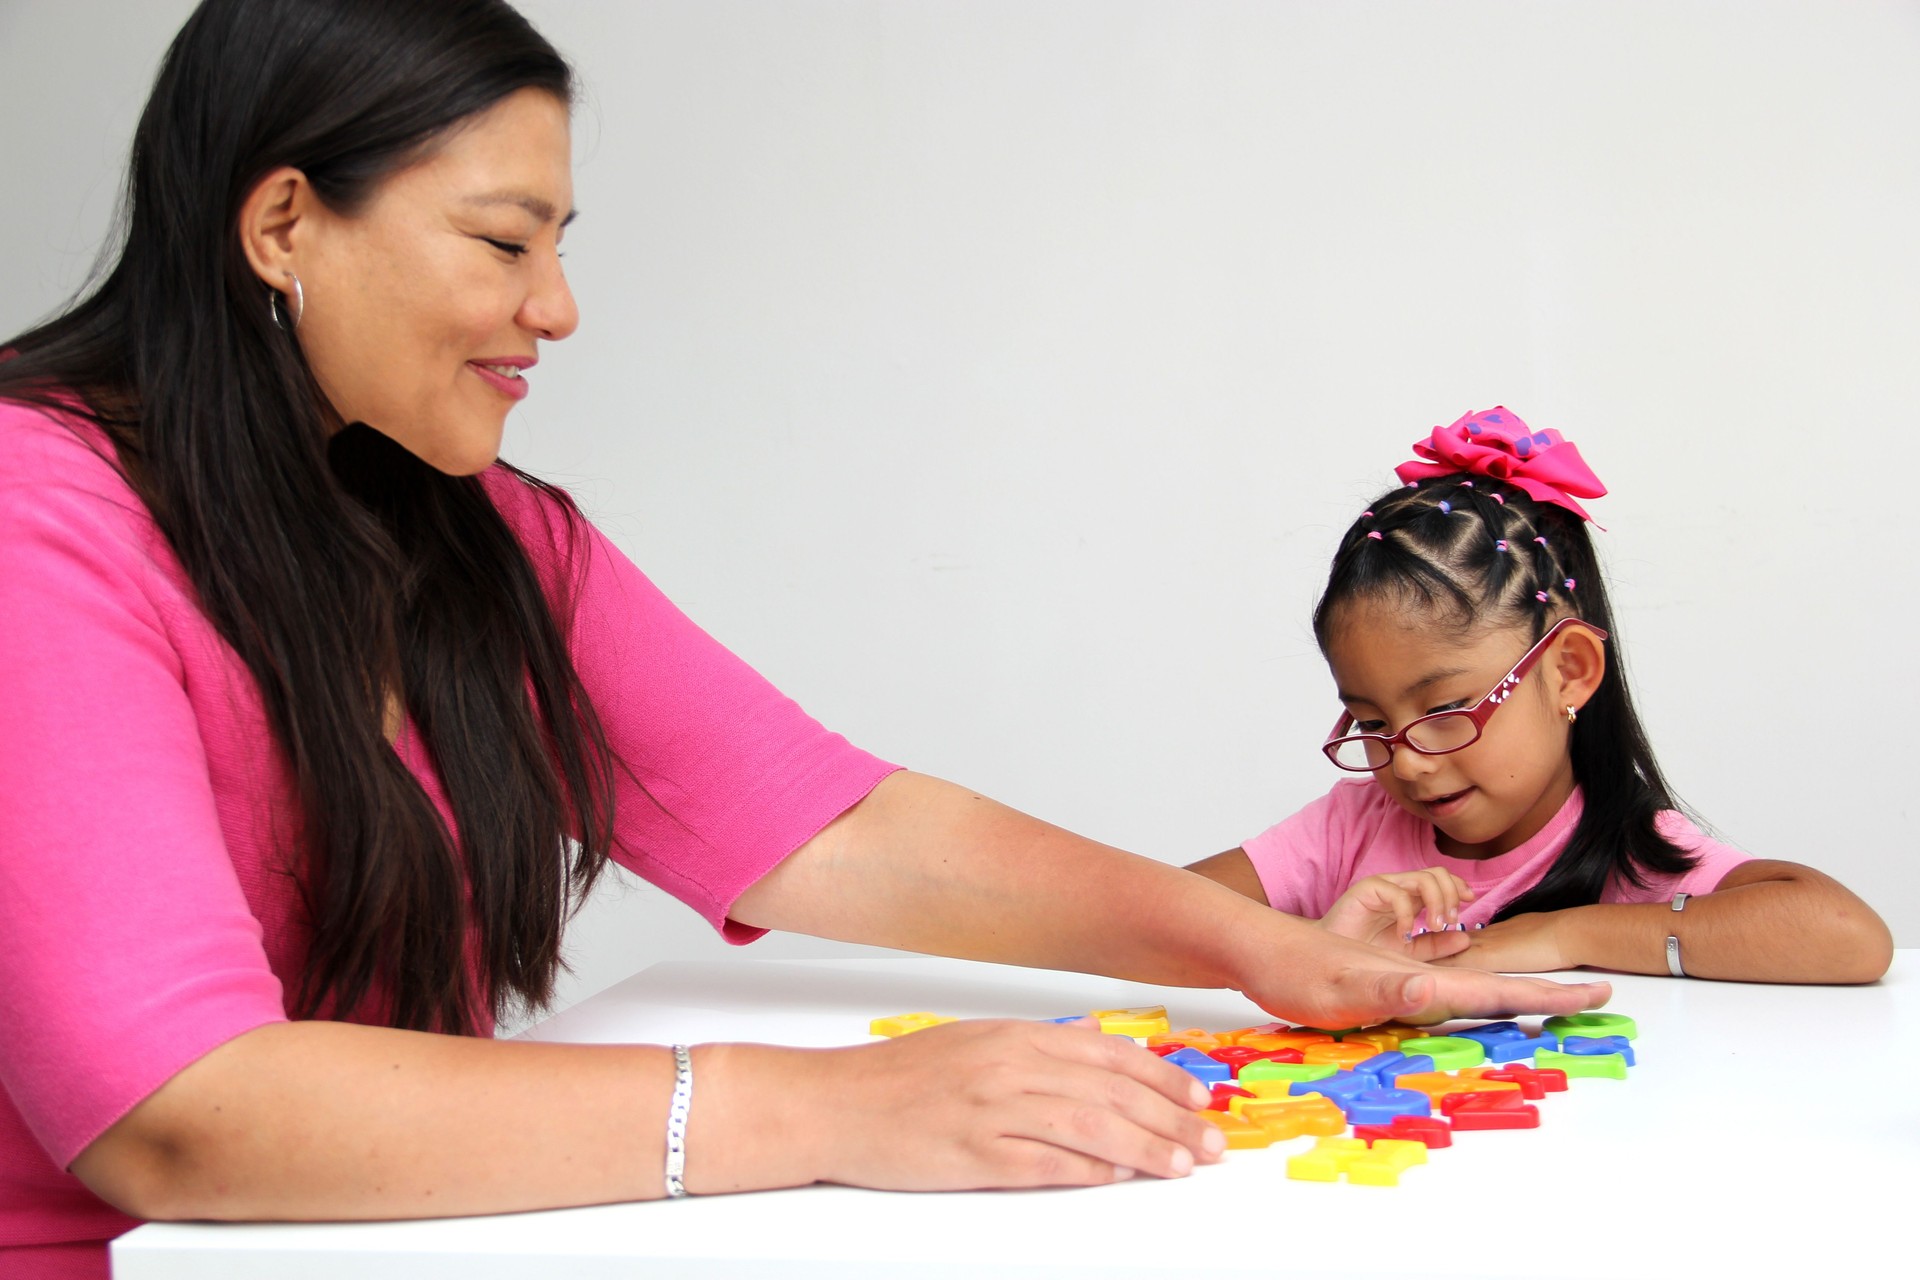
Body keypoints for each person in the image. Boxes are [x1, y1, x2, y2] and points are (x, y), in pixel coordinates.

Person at [0, 5, 1610, 1276]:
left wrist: (1268, 954)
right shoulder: (35, 512)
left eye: (563, 241)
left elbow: (834, 827)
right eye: (504, 242)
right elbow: (179, 1116)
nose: (557, 308)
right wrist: (834, 1110)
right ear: (283, 223)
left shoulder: (478, 534)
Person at [1189, 408, 1893, 984]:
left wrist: (1560, 935)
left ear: (1570, 672)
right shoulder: (1350, 831)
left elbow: (1845, 937)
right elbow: (1156, 914)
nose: (1406, 763)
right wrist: (1319, 945)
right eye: (1371, 721)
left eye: (1444, 712)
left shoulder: (1630, 859)